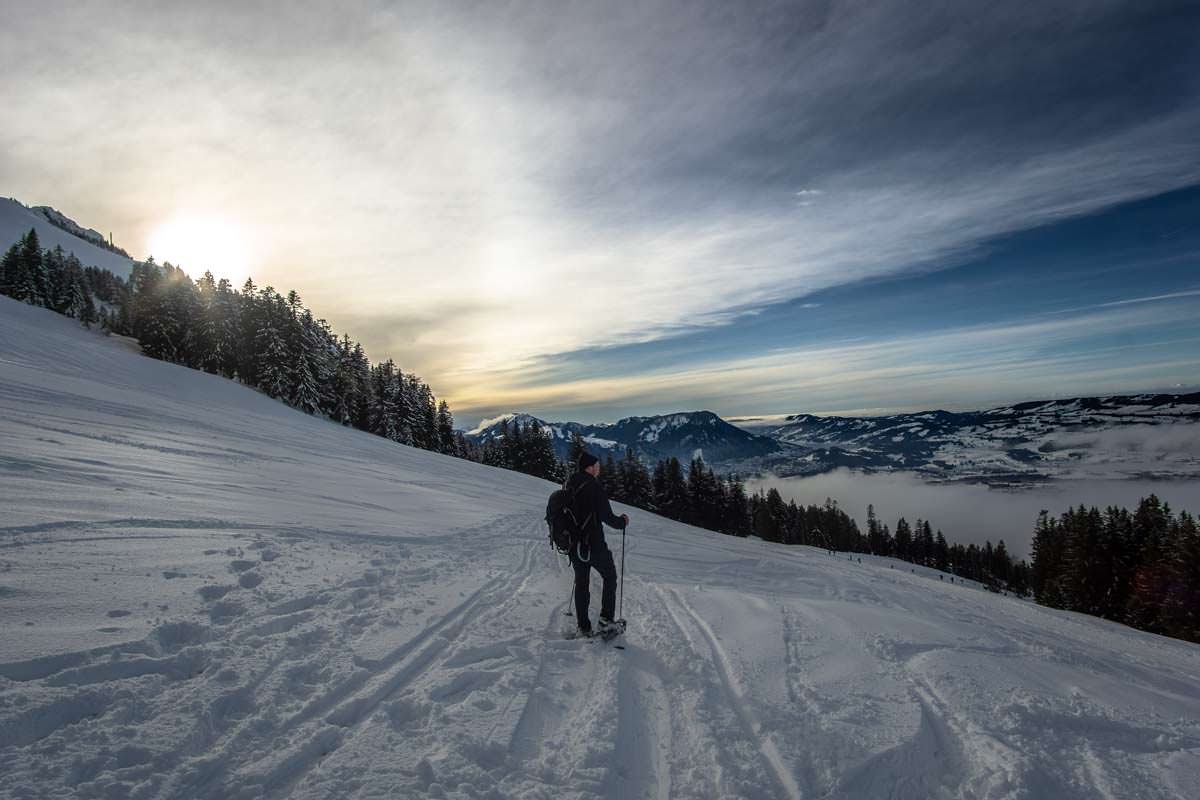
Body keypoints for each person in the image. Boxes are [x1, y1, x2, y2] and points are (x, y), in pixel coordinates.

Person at [566, 452, 629, 636]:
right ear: (590, 467)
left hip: (574, 545)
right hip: (594, 544)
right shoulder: (594, 486)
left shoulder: (570, 483)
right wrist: (622, 522)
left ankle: (583, 627)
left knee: (582, 583)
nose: (599, 468)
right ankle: (605, 621)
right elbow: (607, 517)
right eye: (597, 465)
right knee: (610, 577)